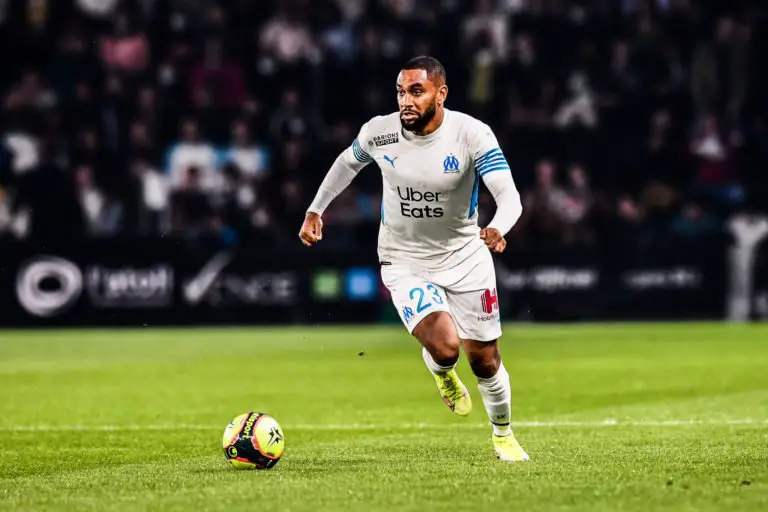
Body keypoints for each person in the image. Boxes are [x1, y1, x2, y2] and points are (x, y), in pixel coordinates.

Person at [299, 56, 528, 461]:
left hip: (466, 255)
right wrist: (316, 209)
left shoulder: (471, 134)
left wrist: (498, 227)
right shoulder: (380, 131)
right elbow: (346, 163)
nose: (406, 101)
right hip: (403, 259)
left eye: (416, 91)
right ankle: (442, 372)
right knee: (446, 348)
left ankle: (503, 434)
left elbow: (509, 196)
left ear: (441, 94)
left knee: (484, 359)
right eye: (401, 92)